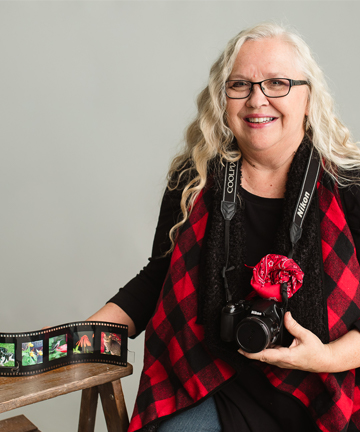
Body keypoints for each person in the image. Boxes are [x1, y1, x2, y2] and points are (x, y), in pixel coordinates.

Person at [88, 22, 360, 432]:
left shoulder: (348, 185)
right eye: (240, 85)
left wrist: (327, 358)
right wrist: (77, 338)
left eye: (277, 83)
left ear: (308, 97)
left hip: (323, 386)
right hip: (213, 381)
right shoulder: (194, 179)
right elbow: (159, 277)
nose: (257, 100)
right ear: (223, 98)